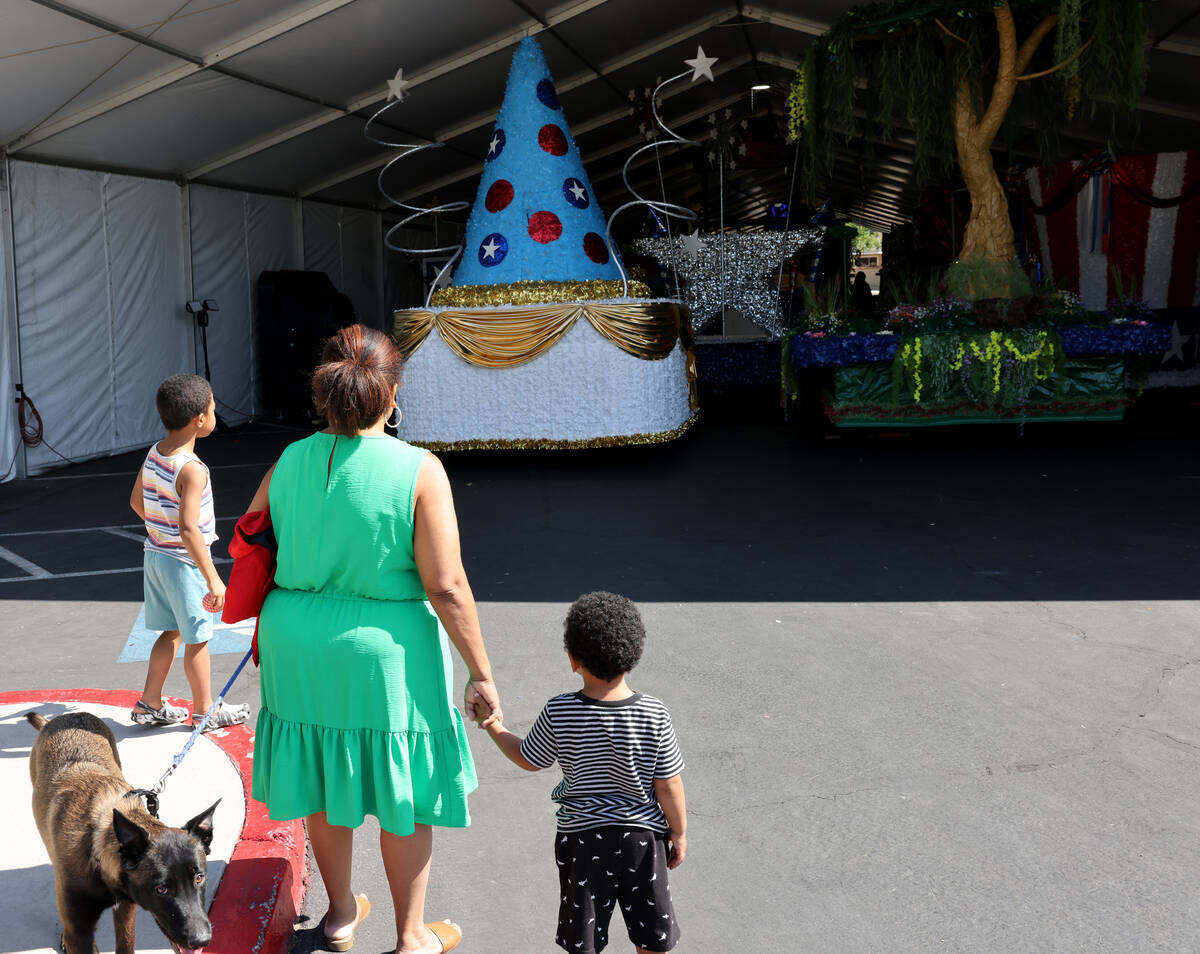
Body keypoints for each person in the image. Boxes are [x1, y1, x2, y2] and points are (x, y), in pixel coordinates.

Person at [245, 324, 499, 954]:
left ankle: (337, 914)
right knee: (401, 789)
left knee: (326, 776)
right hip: (384, 651)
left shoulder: (288, 461)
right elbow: (446, 585)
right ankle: (411, 935)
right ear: (392, 396)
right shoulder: (418, 468)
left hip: (295, 641)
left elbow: (254, 537)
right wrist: (481, 671)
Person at [472, 591, 686, 954]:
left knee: (584, 936)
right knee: (651, 934)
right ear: (633, 656)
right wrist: (678, 833)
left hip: (583, 841)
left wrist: (493, 724)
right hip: (642, 841)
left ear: (573, 659)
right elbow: (669, 784)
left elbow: (529, 757)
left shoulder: (561, 711)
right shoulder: (654, 712)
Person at [128, 373, 250, 732]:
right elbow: (189, 528)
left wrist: (160, 530)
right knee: (198, 637)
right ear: (200, 420)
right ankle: (204, 710)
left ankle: (149, 703)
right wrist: (213, 580)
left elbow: (138, 501)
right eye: (213, 409)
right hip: (184, 565)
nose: (214, 414)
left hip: (156, 556)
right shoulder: (193, 470)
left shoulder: (154, 453)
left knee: (171, 632)